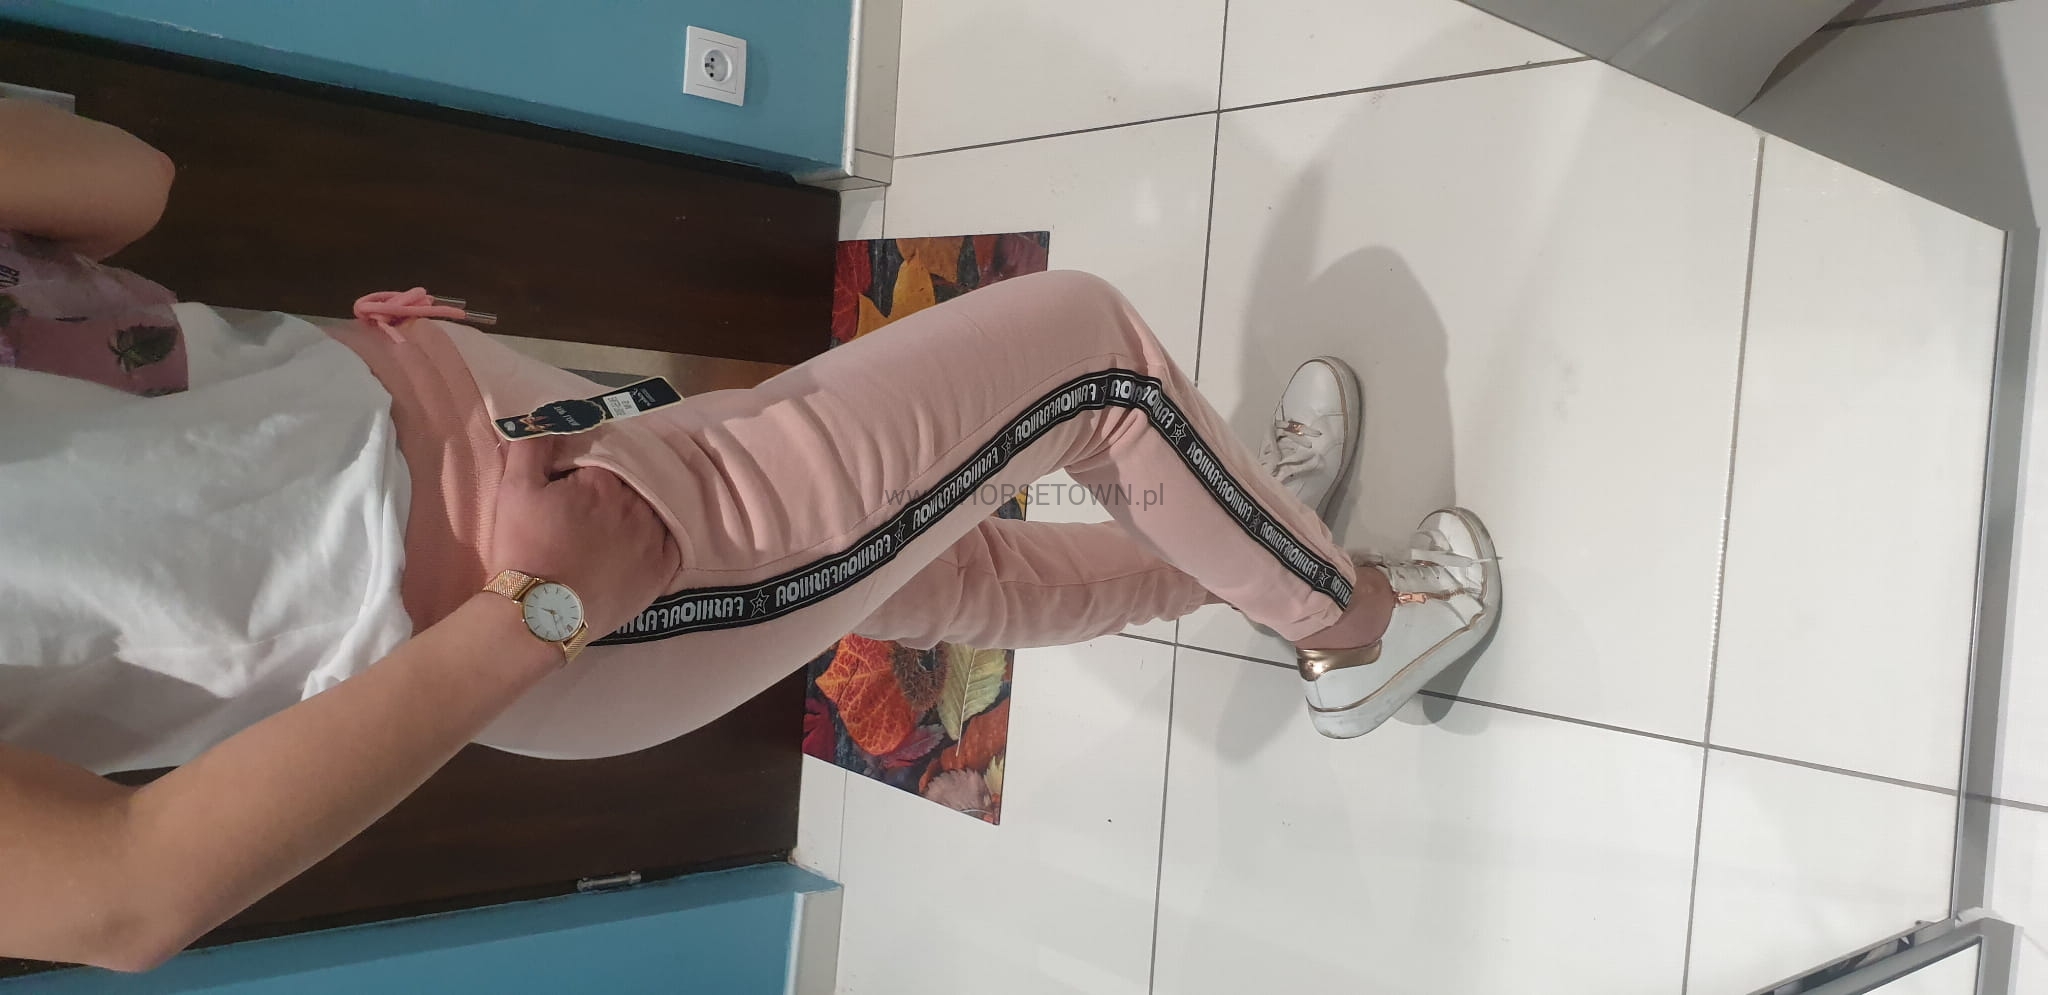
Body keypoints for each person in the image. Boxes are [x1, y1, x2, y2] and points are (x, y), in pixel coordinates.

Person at [0, 99, 1500, 971]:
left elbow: (130, 187)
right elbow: (125, 894)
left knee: (939, 562)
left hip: (514, 460)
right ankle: (1350, 627)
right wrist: (538, 613)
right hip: (557, 589)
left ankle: (1247, 529)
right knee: (1086, 359)